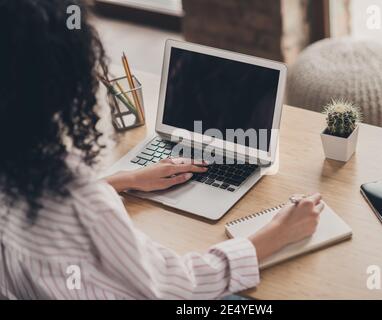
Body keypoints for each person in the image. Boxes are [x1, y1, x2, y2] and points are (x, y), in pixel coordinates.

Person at [0, 0, 323, 299]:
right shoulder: (83, 205)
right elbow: (175, 288)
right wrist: (276, 234)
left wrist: (124, 180)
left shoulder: (20, 180)